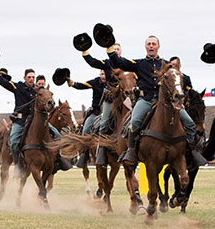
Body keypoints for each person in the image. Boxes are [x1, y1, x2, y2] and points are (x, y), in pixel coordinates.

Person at [107, 35, 203, 166]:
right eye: (149, 44)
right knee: (134, 122)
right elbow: (119, 63)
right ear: (145, 47)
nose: (151, 46)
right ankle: (131, 151)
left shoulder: (166, 65)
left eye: (153, 44)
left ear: (158, 46)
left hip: (165, 102)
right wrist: (110, 49)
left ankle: (191, 152)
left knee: (190, 124)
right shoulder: (139, 64)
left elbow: (176, 78)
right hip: (145, 100)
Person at [0, 64, 61, 162]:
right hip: (20, 120)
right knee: (14, 141)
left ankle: (57, 160)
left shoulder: (38, 91)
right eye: (29, 77)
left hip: (35, 120)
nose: (31, 79)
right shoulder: (18, 87)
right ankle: (18, 163)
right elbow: (2, 81)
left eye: (33, 77)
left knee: (57, 135)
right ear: (24, 78)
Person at [80, 43, 121, 165]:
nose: (116, 51)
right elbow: (92, 62)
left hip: (124, 98)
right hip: (111, 99)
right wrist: (84, 51)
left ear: (120, 52)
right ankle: (101, 150)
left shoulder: (125, 64)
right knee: (104, 123)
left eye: (118, 49)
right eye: (114, 49)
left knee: (135, 120)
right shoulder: (106, 64)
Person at [64, 69, 106, 169]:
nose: (103, 76)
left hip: (110, 113)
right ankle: (83, 154)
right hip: (96, 113)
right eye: (101, 74)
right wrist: (72, 83)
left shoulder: (113, 82)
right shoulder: (95, 82)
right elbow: (82, 85)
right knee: (86, 129)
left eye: (104, 73)